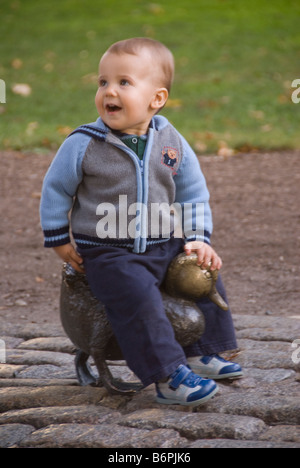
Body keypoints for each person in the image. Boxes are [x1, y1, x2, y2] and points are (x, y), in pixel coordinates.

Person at [40, 37, 242, 407]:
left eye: (123, 82)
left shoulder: (171, 141)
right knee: (138, 299)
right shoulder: (84, 143)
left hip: (162, 242)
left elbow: (193, 193)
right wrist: (58, 238)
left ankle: (203, 351)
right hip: (108, 251)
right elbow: (56, 190)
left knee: (202, 269)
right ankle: (168, 375)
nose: (109, 92)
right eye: (103, 82)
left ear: (157, 99)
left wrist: (199, 238)